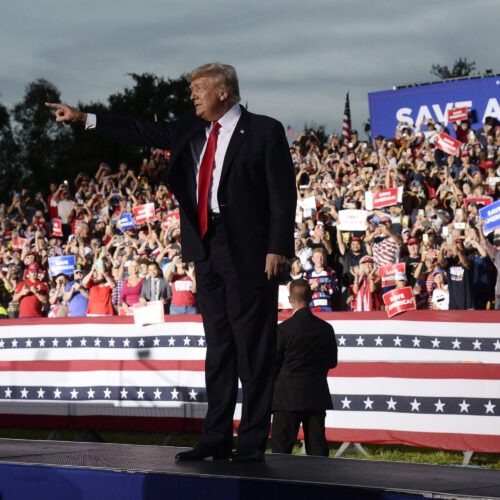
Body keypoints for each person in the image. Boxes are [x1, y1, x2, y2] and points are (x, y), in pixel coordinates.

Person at [47, 62, 296, 464]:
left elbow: (283, 194)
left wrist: (278, 247)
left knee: (254, 348)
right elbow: (142, 130)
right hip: (205, 249)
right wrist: (84, 118)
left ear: (224, 92)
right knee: (219, 348)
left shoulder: (265, 130)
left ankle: (251, 442)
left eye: (199, 89)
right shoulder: (190, 127)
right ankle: (215, 437)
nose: (192, 96)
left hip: (250, 252)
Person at [271, 279, 338, 456]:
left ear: (290, 299)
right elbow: (332, 362)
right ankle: (317, 484)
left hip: (286, 397)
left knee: (281, 453)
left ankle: (278, 484)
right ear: (310, 297)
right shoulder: (326, 329)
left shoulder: (283, 330)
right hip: (316, 395)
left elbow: (273, 364)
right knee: (317, 452)